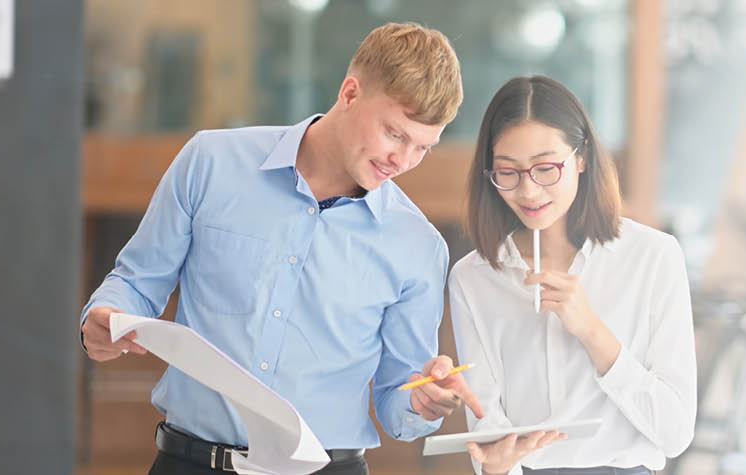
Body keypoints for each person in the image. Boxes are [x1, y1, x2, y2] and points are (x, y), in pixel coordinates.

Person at [79, 22, 482, 475]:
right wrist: (105, 315)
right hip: (190, 462)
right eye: (394, 133)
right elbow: (136, 281)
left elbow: (397, 400)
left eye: (422, 148)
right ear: (349, 94)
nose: (403, 160)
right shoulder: (210, 163)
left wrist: (422, 401)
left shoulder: (418, 246)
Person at [449, 76, 697, 475]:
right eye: (508, 172)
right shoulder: (473, 279)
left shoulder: (653, 257)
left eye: (546, 168)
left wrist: (591, 330)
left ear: (581, 158)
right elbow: (488, 432)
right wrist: (495, 465)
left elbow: (675, 433)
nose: (528, 191)